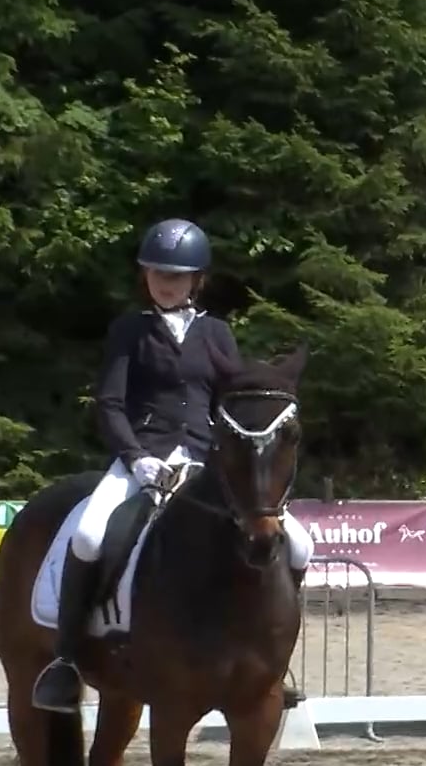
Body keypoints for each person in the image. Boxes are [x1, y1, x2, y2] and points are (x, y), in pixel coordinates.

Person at [32, 218, 316, 714]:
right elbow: (111, 403)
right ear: (146, 276)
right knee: (90, 535)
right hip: (143, 458)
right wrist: (136, 459)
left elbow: (230, 402)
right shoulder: (130, 331)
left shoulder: (217, 333)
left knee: (296, 543)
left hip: (209, 462)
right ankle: (67, 660)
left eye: (178, 275)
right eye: (159, 273)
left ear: (196, 279)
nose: (167, 281)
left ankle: (272, 658)